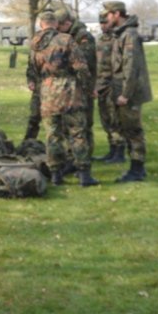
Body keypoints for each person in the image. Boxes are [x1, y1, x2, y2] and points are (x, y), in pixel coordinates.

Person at [29, 10, 98, 186]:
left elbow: (33, 70)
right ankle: (84, 174)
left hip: (47, 94)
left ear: (41, 24)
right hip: (70, 93)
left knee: (53, 135)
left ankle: (56, 175)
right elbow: (81, 67)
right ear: (55, 24)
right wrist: (88, 88)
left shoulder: (35, 43)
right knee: (77, 134)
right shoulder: (66, 40)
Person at [102, 0, 152, 182]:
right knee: (127, 130)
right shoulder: (121, 34)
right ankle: (136, 168)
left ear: (116, 14)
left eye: (108, 14)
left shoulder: (129, 35)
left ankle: (137, 169)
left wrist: (125, 94)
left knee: (133, 131)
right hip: (122, 90)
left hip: (129, 93)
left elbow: (131, 68)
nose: (107, 18)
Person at [94, 7, 125, 163]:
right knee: (105, 119)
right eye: (101, 23)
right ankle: (111, 150)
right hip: (101, 85)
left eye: (105, 22)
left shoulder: (117, 39)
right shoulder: (100, 39)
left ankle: (119, 151)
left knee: (115, 120)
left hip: (113, 84)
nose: (102, 25)